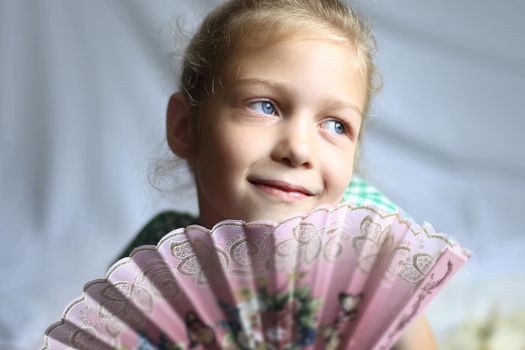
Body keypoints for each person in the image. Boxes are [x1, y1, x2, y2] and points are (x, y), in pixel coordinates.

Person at [119, 0, 437, 348]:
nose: (298, 149)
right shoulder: (155, 268)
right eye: (264, 106)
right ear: (185, 127)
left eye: (335, 125)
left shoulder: (369, 247)